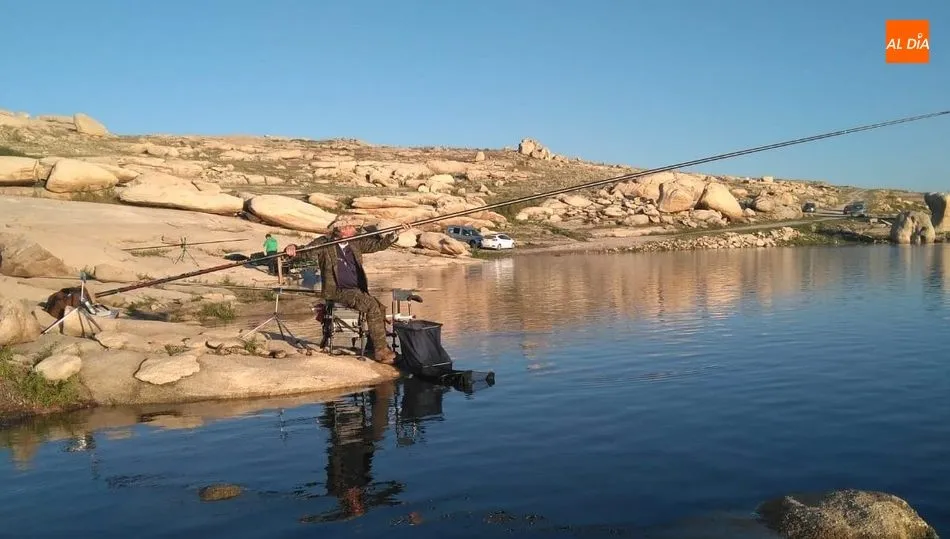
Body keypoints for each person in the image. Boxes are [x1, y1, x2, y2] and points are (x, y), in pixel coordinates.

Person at [283, 223, 409, 364]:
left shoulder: (355, 242)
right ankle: (381, 352)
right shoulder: (324, 243)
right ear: (343, 231)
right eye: (350, 226)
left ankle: (371, 344)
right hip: (337, 290)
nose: (353, 228)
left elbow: (378, 245)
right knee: (371, 306)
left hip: (356, 289)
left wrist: (395, 233)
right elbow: (305, 252)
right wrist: (292, 248)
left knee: (379, 307)